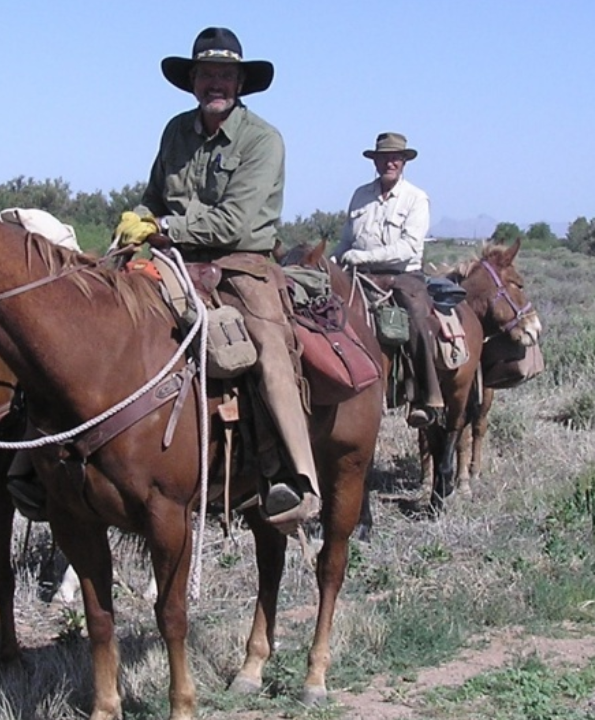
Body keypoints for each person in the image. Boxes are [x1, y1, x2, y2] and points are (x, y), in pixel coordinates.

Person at [112, 26, 319, 530]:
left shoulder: (263, 140)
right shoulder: (175, 131)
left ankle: (295, 477)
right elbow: (155, 195)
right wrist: (135, 221)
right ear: (193, 81)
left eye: (226, 74)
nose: (216, 83)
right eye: (207, 74)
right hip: (174, 259)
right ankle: (46, 458)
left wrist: (162, 226)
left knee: (269, 345)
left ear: (241, 82)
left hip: (240, 263)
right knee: (103, 312)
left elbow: (237, 222)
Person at [330, 132, 443, 427]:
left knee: (417, 318)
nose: (389, 162)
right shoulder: (360, 195)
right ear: (375, 161)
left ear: (404, 161)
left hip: (402, 277)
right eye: (383, 157)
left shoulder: (416, 198)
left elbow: (409, 248)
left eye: (395, 157)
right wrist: (332, 260)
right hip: (360, 276)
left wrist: (361, 257)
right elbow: (346, 240)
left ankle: (425, 397)